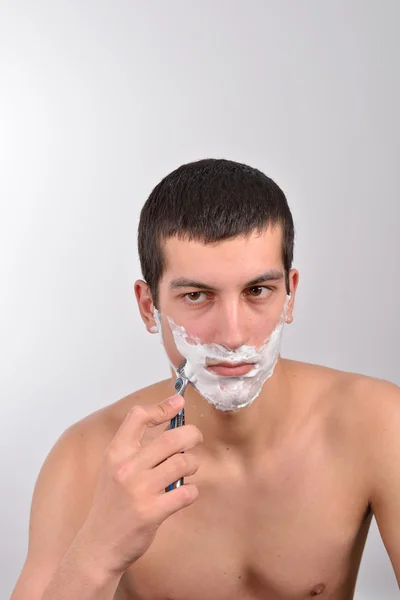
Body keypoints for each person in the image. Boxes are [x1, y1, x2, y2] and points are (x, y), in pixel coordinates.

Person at [11, 159, 400, 600]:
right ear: (147, 307)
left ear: (289, 295)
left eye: (258, 291)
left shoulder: (377, 425)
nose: (232, 335)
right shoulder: (87, 460)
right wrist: (98, 548)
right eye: (196, 296)